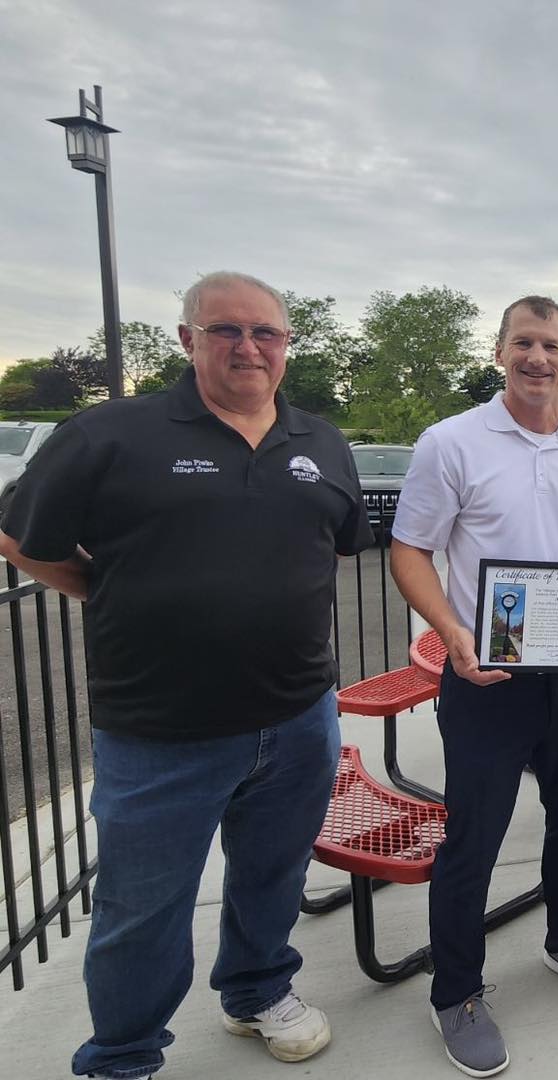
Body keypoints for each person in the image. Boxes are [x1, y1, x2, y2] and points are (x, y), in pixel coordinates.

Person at [0, 271, 370, 1079]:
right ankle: (124, 1056)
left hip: (300, 714)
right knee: (142, 909)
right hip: (160, 729)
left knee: (273, 873)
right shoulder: (111, 434)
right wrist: (102, 588)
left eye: (266, 332)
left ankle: (257, 990)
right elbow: (21, 537)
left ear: (286, 346)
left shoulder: (322, 443)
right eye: (226, 330)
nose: (249, 347)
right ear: (186, 340)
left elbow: (340, 543)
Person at [389, 296, 558, 1078]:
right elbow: (410, 552)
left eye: (552, 345)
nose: (538, 358)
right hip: (485, 673)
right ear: (499, 352)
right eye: (523, 343)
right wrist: (451, 632)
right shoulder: (452, 442)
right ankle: (455, 992)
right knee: (475, 835)